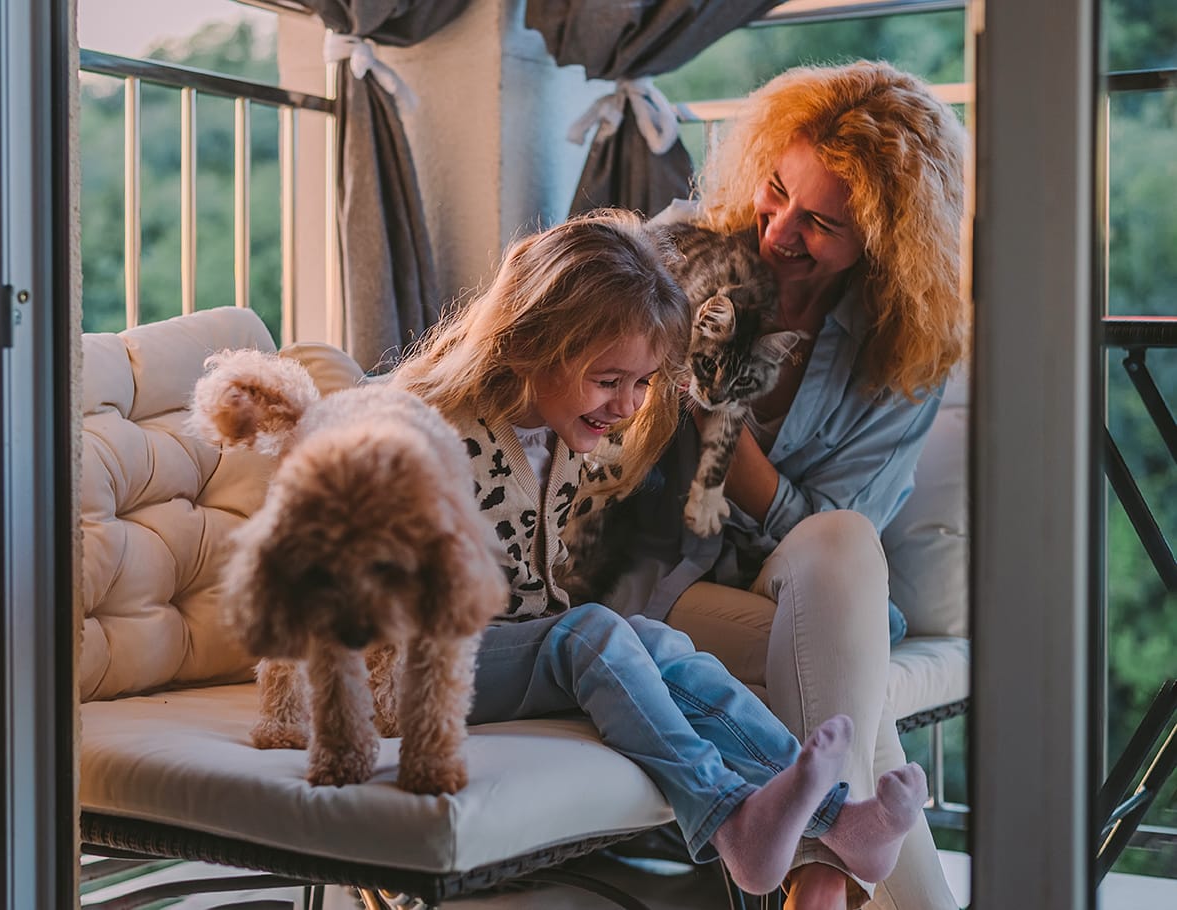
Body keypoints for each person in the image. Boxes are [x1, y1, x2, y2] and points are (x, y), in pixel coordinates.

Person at [390, 209, 928, 900]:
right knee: (591, 633)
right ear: (530, 343)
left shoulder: (557, 431)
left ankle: (835, 820)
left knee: (659, 645)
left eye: (643, 382)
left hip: (497, 649)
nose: (628, 403)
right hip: (413, 668)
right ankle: (731, 823)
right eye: (610, 379)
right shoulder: (428, 432)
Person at [611, 62, 970, 910]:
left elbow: (839, 523)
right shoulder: (675, 254)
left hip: (790, 581)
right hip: (655, 575)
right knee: (855, 684)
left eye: (821, 223)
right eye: (775, 191)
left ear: (884, 239)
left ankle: (816, 876)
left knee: (843, 541)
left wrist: (726, 443)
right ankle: (823, 887)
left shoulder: (904, 350)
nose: (778, 231)